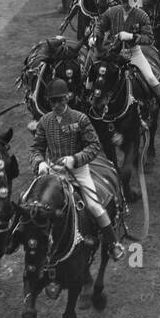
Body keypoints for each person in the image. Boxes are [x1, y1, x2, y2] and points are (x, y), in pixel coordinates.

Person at [30, 79, 125, 261]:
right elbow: (36, 148)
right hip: (53, 173)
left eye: (60, 100)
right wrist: (40, 163)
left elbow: (94, 146)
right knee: (30, 202)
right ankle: (15, 234)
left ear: (67, 98)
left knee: (94, 206)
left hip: (79, 172)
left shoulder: (80, 119)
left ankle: (113, 244)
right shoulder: (44, 121)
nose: (57, 105)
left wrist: (74, 159)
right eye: (53, 101)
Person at [92, 0, 160, 118]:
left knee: (150, 77)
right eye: (124, 2)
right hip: (113, 53)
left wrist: (132, 36)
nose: (127, 5)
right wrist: (95, 37)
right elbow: (100, 26)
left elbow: (149, 38)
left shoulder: (142, 15)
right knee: (95, 72)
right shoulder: (111, 12)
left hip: (134, 54)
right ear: (120, 0)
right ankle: (87, 100)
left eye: (130, 2)